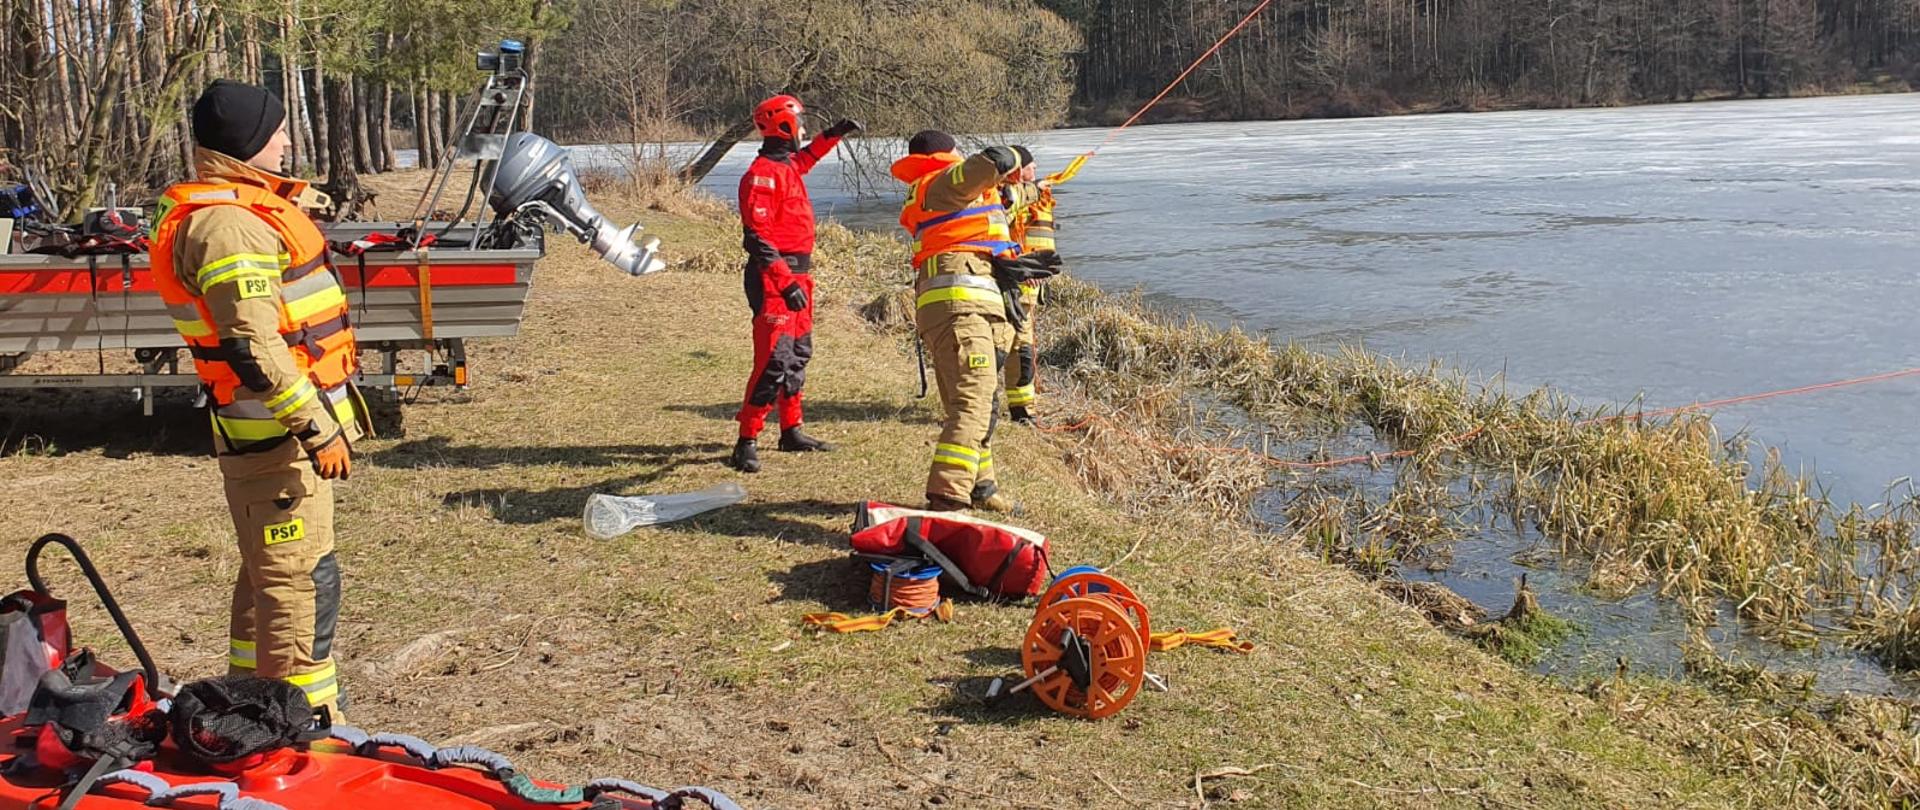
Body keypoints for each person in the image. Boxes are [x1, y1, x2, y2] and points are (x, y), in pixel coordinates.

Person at [149, 80, 370, 719]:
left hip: (270, 437)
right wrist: (317, 428)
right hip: (276, 436)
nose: (287, 142)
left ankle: (251, 703)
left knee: (269, 574)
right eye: (276, 133)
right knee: (298, 585)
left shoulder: (240, 210)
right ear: (246, 144)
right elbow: (253, 344)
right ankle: (299, 729)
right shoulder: (228, 227)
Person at [891, 131, 1058, 512]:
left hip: (959, 309)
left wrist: (1037, 187)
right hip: (961, 309)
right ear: (946, 155)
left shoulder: (947, 193)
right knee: (973, 401)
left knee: (974, 403)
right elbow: (992, 161)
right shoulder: (944, 180)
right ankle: (947, 499)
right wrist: (1018, 156)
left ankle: (981, 487)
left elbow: (1008, 196)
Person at [728, 94, 861, 473]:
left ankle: (791, 430)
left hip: (799, 274)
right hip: (775, 277)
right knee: (772, 360)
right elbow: (758, 239)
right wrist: (785, 283)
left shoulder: (786, 166)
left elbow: (807, 159)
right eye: (799, 124)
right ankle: (747, 439)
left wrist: (834, 134)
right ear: (783, 126)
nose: (803, 131)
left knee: (798, 353)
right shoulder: (761, 175)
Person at [997, 146, 1061, 426]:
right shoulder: (1000, 199)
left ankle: (1023, 412)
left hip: (1028, 292)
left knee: (1022, 353)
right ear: (1017, 170)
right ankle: (979, 406)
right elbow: (997, 231)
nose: (1035, 171)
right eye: (1031, 166)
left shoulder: (1034, 199)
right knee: (999, 349)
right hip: (1007, 288)